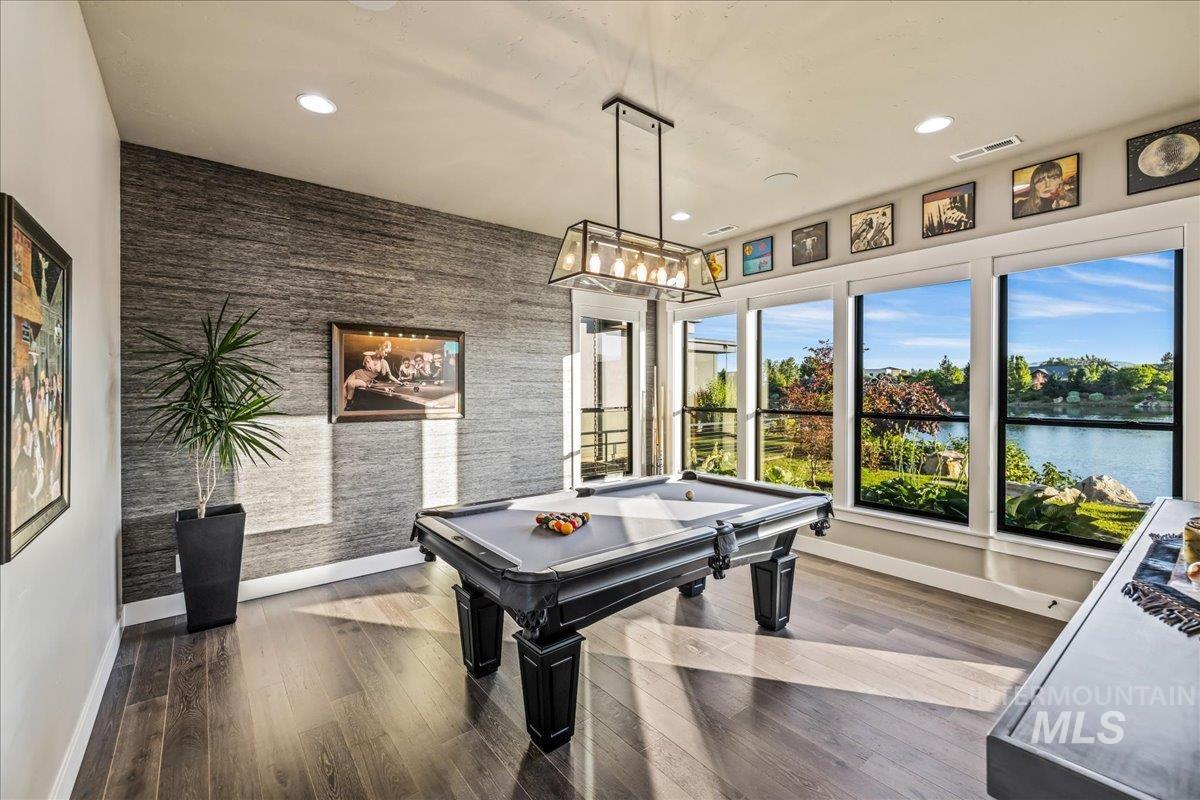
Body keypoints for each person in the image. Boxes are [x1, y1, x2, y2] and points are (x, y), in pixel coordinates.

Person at [342, 339, 402, 403]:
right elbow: (363, 368)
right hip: (355, 374)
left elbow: (390, 376)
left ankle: (349, 403)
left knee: (351, 383)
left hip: (366, 381)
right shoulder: (368, 357)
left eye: (387, 353)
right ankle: (345, 405)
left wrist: (399, 382)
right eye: (385, 352)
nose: (386, 355)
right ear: (381, 349)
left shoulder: (384, 363)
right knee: (343, 390)